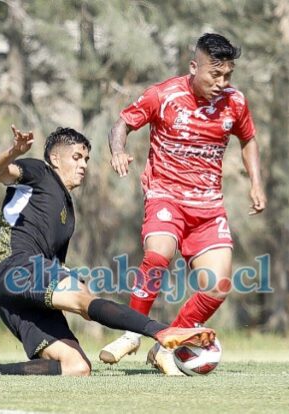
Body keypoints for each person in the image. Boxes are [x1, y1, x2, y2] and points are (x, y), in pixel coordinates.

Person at [0, 126, 215, 377]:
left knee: (76, 367)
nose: (83, 165)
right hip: (17, 269)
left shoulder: (67, 212)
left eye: (87, 159)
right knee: (82, 299)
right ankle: (162, 332)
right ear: (55, 158)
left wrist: (62, 271)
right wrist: (14, 151)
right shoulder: (41, 173)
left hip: (17, 294)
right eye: (77, 157)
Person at [99, 33, 266, 375]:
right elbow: (122, 124)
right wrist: (117, 151)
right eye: (214, 74)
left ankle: (166, 344)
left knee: (218, 287)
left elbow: (248, 139)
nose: (222, 82)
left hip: (208, 209)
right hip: (166, 197)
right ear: (194, 67)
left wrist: (256, 184)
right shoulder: (164, 95)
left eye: (228, 75)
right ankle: (132, 333)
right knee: (158, 253)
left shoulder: (235, 102)